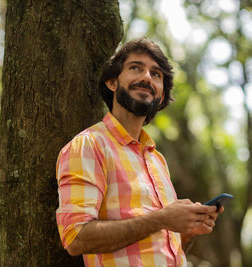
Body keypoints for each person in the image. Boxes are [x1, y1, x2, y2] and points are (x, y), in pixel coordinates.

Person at [55, 38, 224, 266]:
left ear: (161, 95)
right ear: (113, 82)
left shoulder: (156, 159)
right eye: (136, 68)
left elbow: (156, 248)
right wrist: (162, 218)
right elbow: (75, 238)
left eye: (156, 74)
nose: (146, 77)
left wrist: (187, 231)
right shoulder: (89, 146)